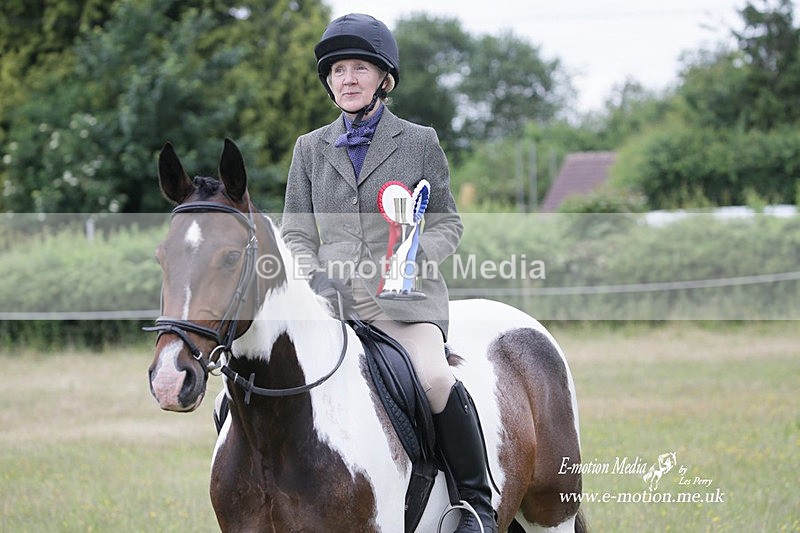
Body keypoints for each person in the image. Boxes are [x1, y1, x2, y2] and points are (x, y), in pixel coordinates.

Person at [281, 13, 497, 533]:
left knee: (434, 376)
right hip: (332, 305)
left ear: (383, 79)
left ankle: (475, 503)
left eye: (359, 68)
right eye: (337, 71)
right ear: (328, 82)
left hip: (403, 305)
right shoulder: (309, 149)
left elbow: (448, 221)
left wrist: (414, 256)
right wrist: (314, 276)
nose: (347, 79)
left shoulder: (419, 141)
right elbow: (294, 234)